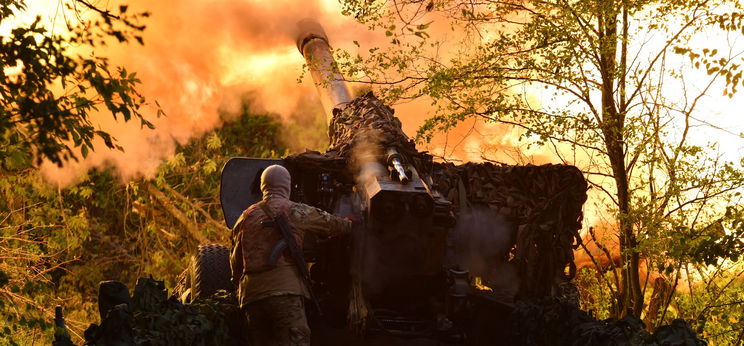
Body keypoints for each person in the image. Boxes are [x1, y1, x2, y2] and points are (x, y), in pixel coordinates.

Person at [229, 165, 353, 346]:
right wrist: (350, 224)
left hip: (251, 298)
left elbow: (235, 263)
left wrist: (240, 292)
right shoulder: (293, 210)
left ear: (264, 186)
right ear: (287, 185)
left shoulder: (244, 218)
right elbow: (330, 224)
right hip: (284, 294)